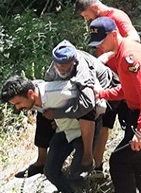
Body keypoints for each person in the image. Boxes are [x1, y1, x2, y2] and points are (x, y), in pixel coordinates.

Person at [88, 17, 141, 193]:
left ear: (114, 34)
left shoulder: (129, 56)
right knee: (133, 159)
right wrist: (101, 94)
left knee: (118, 161)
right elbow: (127, 89)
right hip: (140, 113)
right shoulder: (121, 54)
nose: (99, 47)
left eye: (101, 41)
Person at [74, 0, 140, 177]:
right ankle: (97, 168)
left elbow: (135, 38)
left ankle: (134, 164)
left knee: (130, 124)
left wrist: (110, 55)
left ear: (94, 9)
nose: (87, 20)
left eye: (86, 16)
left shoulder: (117, 17)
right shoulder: (97, 24)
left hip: (124, 78)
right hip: (106, 81)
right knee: (104, 123)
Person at [42, 40, 121, 174]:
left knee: (100, 125)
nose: (61, 68)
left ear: (73, 62)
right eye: (58, 64)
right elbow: (51, 96)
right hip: (82, 91)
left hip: (108, 89)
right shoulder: (53, 72)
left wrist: (58, 113)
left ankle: (96, 167)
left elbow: (88, 105)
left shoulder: (82, 71)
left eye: (65, 65)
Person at [0, 75, 87, 192]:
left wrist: (61, 114)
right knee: (50, 171)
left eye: (18, 103)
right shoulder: (32, 97)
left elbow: (87, 103)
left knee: (78, 174)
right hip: (64, 130)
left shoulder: (59, 92)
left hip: (84, 130)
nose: (18, 107)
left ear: (30, 93)